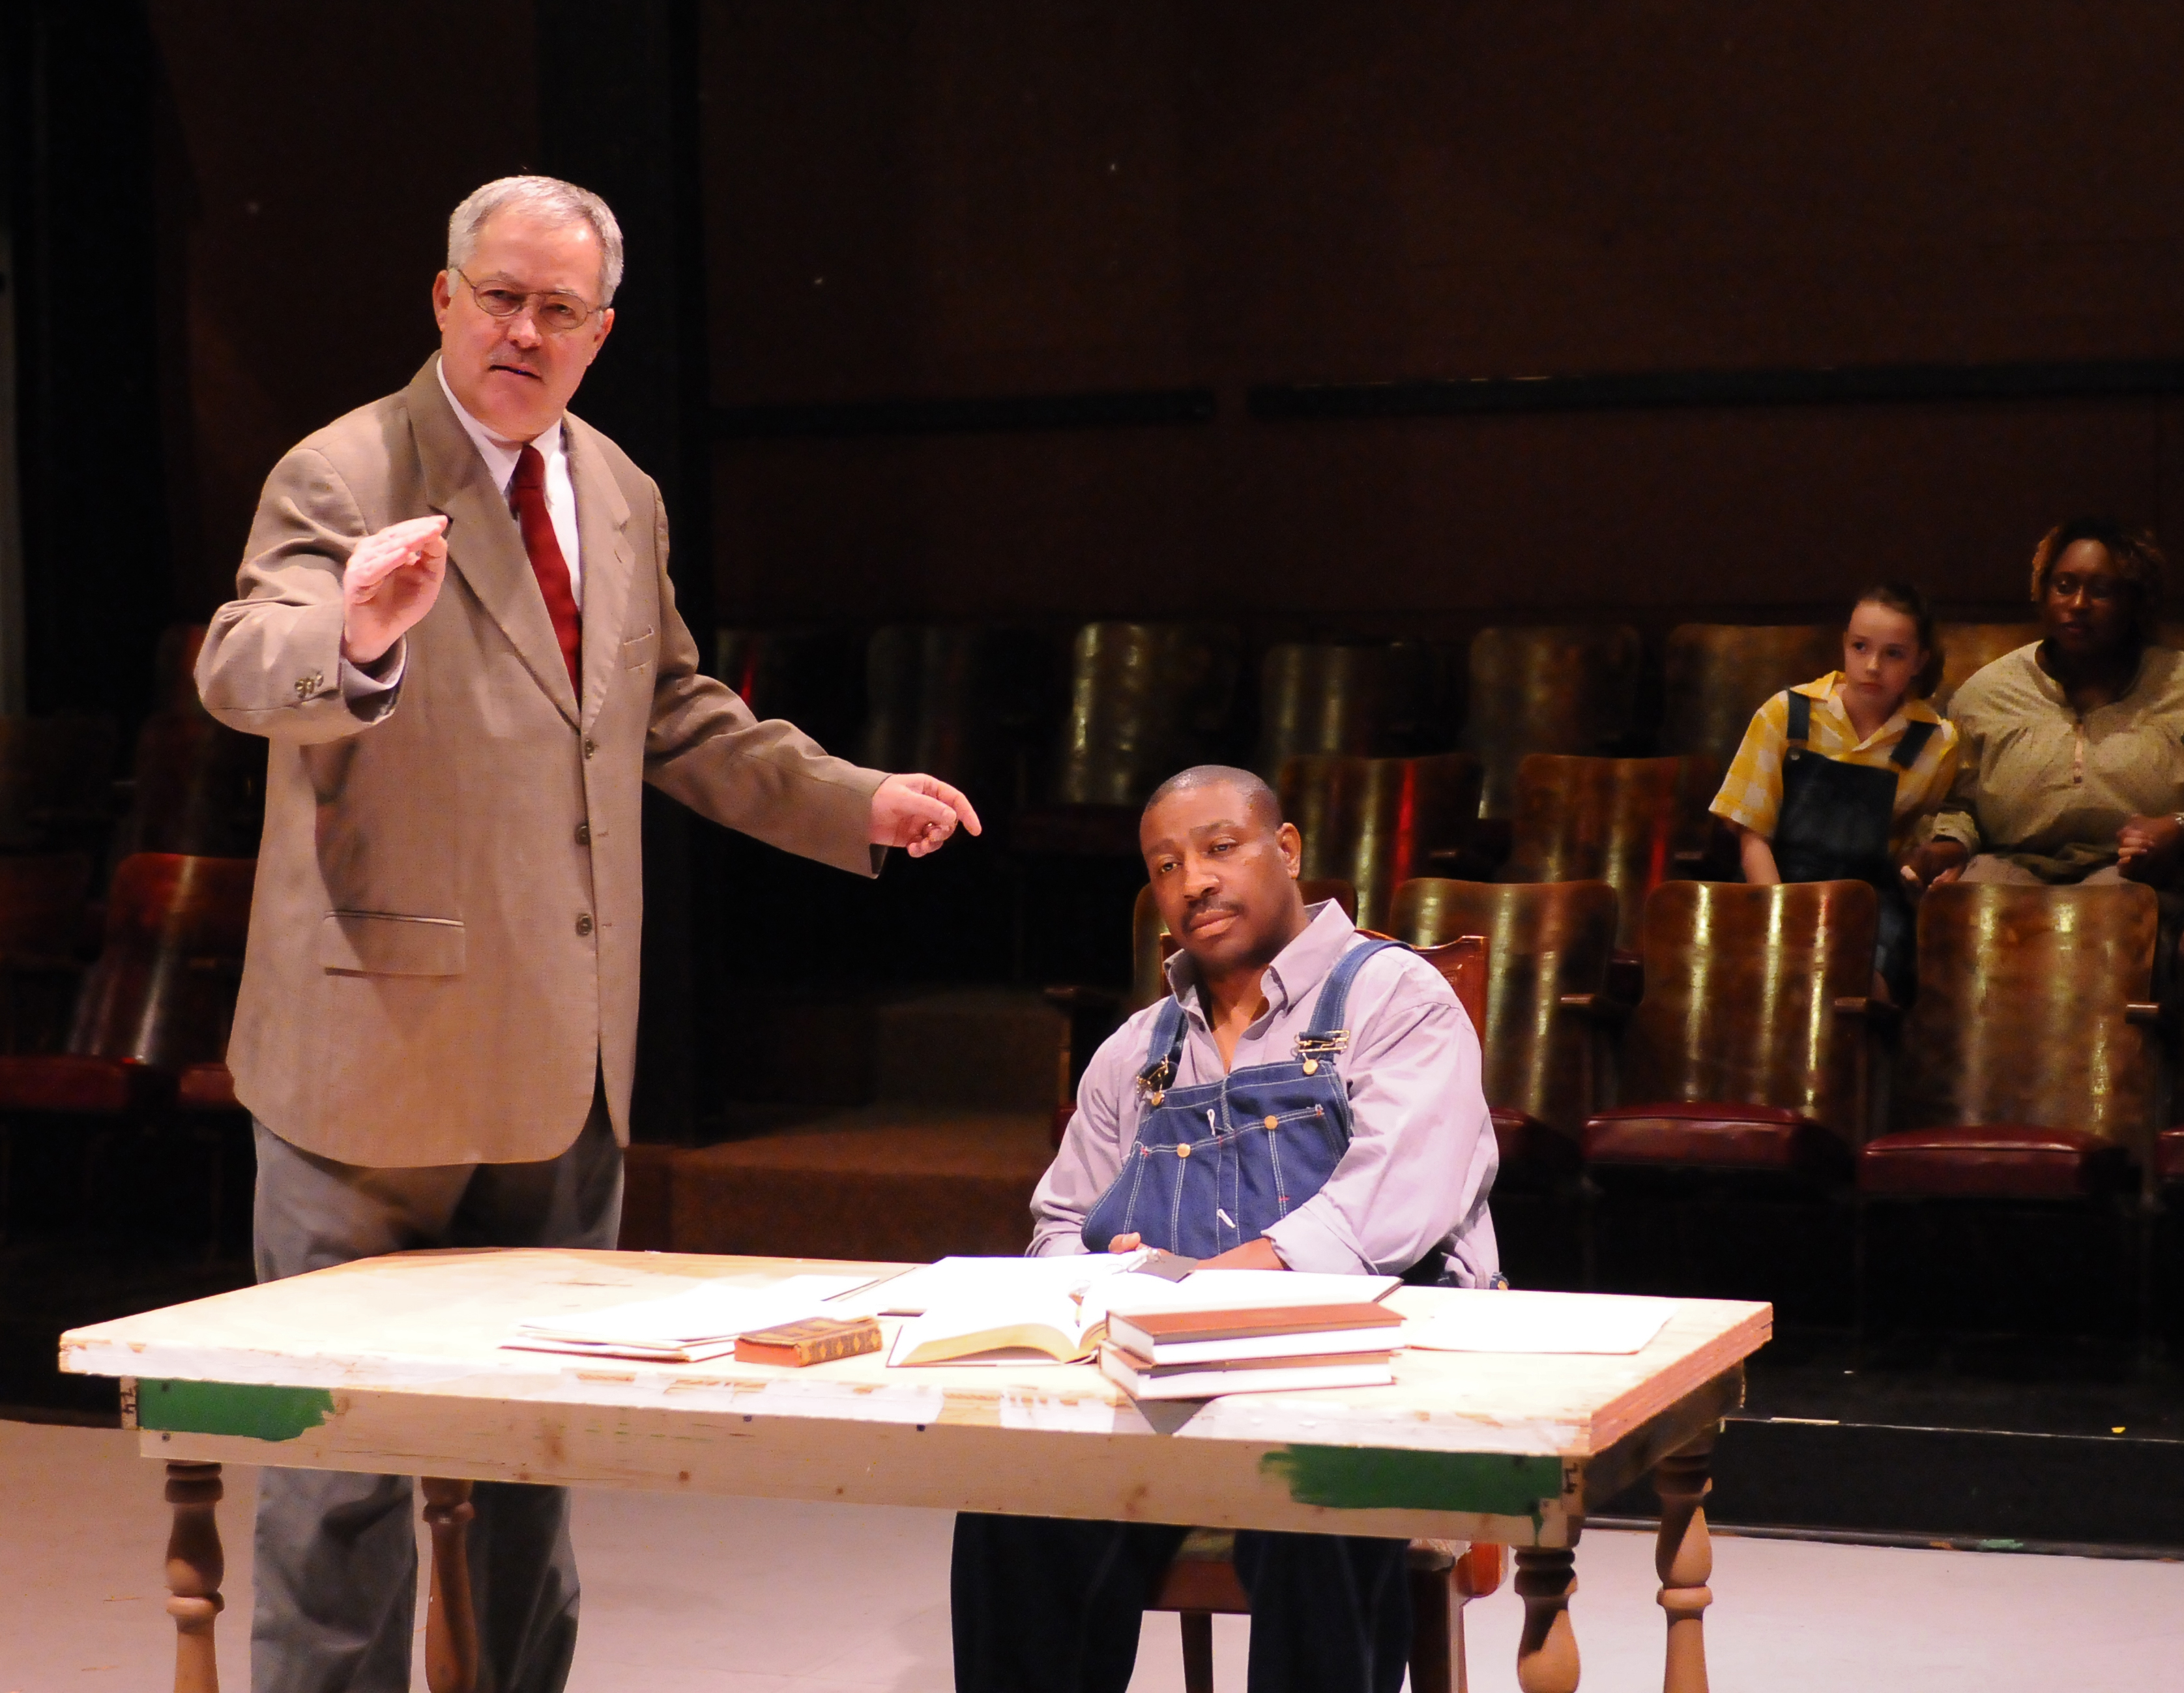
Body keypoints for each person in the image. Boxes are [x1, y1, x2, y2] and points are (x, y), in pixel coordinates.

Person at [194, 176, 982, 1693]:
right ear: (444, 299)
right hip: (374, 1065)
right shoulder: (345, 468)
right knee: (342, 1481)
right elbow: (243, 662)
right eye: (499, 296)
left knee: (530, 1468)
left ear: (600, 333)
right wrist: (354, 633)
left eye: (558, 310)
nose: (523, 331)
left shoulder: (617, 489)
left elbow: (668, 710)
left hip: (564, 1069)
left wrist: (853, 800)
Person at [951, 764, 1498, 1693]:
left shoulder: (1393, 998)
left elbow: (1398, 1197)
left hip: (1353, 1379)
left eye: (1219, 848)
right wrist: (1092, 1283)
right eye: (1166, 866)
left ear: (1285, 850)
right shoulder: (1137, 1049)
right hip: (1167, 1391)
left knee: (1315, 1497)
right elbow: (1060, 1224)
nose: (1194, 881)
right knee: (1013, 1501)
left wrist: (1206, 1282)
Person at [1921, 518, 2184, 914]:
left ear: (2135, 602)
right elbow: (1959, 807)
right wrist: (1951, 844)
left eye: (2101, 591)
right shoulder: (1987, 693)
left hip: (2130, 876)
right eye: (2064, 587)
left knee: (2107, 914)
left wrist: (2182, 829)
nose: (2078, 604)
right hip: (2008, 866)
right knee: (1970, 909)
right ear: (2043, 593)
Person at [1709, 583, 1961, 999]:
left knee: (1862, 985)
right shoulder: (1787, 714)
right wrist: (1786, 918)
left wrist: (1932, 866)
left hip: (1866, 901)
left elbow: (1918, 844)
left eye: (1894, 654)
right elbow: (1752, 836)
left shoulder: (1936, 741)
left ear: (1920, 661)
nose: (1873, 666)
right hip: (1776, 887)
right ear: (1845, 645)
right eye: (1860, 647)